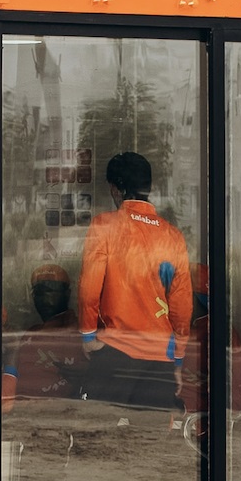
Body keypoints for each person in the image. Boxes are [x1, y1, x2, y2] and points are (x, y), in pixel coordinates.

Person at [78, 152, 196, 412]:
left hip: (115, 351)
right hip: (159, 360)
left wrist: (88, 335)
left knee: (97, 431)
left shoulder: (105, 226)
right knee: (150, 435)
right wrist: (177, 360)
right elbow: (182, 307)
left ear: (116, 189)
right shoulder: (173, 236)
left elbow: (89, 288)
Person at [3, 264, 88, 408]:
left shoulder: (79, 332)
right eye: (38, 292)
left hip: (57, 412)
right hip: (19, 411)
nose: (43, 299)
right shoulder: (31, 332)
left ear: (67, 294)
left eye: (50, 290)